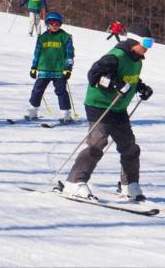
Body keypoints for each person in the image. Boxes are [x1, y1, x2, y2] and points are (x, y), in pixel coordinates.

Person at [55, 24, 154, 201]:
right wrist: (115, 84)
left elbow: (130, 78)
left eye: (151, 43)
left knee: (129, 146)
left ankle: (129, 184)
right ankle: (74, 182)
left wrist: (141, 87)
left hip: (118, 108)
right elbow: (93, 75)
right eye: (146, 42)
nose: (148, 47)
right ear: (133, 42)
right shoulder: (115, 57)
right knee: (97, 143)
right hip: (99, 104)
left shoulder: (137, 60)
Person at [27, 12, 74, 121]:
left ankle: (65, 114)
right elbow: (37, 53)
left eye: (57, 23)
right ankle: (33, 111)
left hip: (59, 71)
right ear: (48, 24)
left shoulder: (65, 37)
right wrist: (34, 67)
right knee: (37, 90)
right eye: (52, 23)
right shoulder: (42, 37)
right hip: (44, 70)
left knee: (61, 92)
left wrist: (68, 69)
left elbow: (70, 54)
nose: (55, 26)